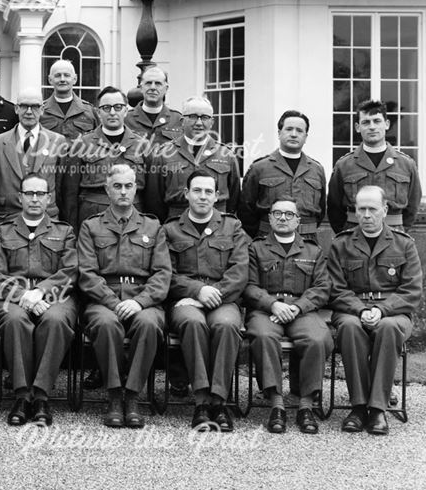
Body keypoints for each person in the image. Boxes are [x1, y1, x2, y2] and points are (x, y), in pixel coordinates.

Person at [77, 164, 170, 428]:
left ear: (136, 189)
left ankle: (133, 396)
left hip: (143, 298)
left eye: (128, 186)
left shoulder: (152, 226)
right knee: (107, 324)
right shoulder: (91, 226)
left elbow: (162, 274)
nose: (123, 191)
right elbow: (87, 273)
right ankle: (114, 395)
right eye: (117, 186)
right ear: (107, 190)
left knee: (149, 324)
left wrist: (139, 302)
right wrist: (114, 303)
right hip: (103, 300)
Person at [328, 185, 422, 436]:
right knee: (349, 327)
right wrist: (360, 310)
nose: (367, 215)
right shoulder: (342, 244)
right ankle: (359, 407)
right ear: (355, 212)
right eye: (361, 209)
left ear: (385, 210)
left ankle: (378, 409)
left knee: (389, 328)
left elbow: (411, 291)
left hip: (393, 312)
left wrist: (382, 310)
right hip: (351, 309)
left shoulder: (403, 244)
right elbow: (336, 289)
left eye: (372, 209)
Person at [161, 170, 249, 431]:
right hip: (185, 301)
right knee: (192, 323)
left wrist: (212, 294)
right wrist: (197, 291)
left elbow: (239, 271)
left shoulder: (233, 227)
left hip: (224, 298)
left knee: (226, 326)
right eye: (197, 191)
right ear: (186, 194)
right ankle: (201, 401)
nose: (203, 196)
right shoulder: (170, 229)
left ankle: (218, 402)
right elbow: (166, 273)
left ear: (217, 195)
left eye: (208, 191)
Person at [0, 173, 77, 427]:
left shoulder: (64, 231)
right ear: (20, 197)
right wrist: (24, 295)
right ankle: (21, 395)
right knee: (15, 320)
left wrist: (42, 291)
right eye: (29, 194)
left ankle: (41, 396)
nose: (35, 199)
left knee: (56, 320)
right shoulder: (2, 232)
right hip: (12, 297)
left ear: (49, 198)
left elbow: (70, 271)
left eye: (40, 194)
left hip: (54, 297)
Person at [243, 198, 333, 434]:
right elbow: (249, 286)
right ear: (270, 218)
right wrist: (273, 305)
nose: (283, 218)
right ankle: (276, 403)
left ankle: (305, 405)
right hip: (266, 310)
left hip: (301, 311)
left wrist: (298, 307)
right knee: (262, 336)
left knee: (317, 338)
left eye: (289, 214)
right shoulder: (256, 248)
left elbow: (322, 288)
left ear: (298, 220)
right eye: (278, 213)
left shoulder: (313, 250)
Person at [326, 100, 422, 234]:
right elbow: (334, 207)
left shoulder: (406, 164)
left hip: (394, 236)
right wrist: (346, 236)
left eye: (377, 121)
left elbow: (412, 206)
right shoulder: (344, 165)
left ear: (386, 124)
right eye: (366, 122)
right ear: (357, 127)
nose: (372, 127)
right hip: (354, 235)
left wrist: (400, 233)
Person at [61, 87, 153, 227]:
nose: (112, 113)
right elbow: (70, 193)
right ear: (98, 112)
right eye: (106, 108)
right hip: (93, 217)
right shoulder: (82, 144)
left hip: (133, 217)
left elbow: (151, 194)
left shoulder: (142, 145)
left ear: (126, 110)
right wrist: (72, 231)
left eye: (118, 107)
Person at [147, 96, 241, 222]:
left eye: (205, 117)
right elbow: (154, 199)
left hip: (218, 225)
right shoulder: (164, 154)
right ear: (182, 121)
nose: (199, 122)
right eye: (192, 116)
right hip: (177, 225)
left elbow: (234, 198)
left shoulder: (226, 155)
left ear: (212, 122)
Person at [239, 110, 327, 240]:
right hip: (268, 240)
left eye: (299, 130)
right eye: (289, 129)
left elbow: (321, 210)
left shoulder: (316, 170)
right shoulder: (260, 168)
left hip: (307, 241)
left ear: (306, 137)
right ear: (279, 133)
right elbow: (246, 210)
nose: (293, 134)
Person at [0, 86, 66, 224]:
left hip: (47, 219)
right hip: (7, 219)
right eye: (24, 106)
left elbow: (62, 186)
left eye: (35, 106)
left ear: (42, 109)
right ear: (16, 109)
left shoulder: (57, 141)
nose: (29, 112)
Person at [39, 59, 97, 141]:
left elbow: (99, 141)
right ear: (50, 80)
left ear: (75, 79)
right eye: (58, 75)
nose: (62, 79)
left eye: (66, 75)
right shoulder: (40, 111)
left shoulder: (89, 111)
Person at [123, 66, 183, 146]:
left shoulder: (178, 120)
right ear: (141, 88)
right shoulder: (126, 119)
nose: (153, 87)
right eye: (148, 83)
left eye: (158, 83)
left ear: (166, 88)